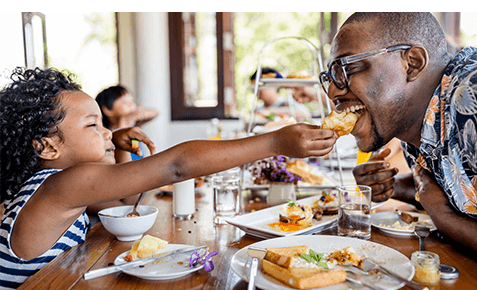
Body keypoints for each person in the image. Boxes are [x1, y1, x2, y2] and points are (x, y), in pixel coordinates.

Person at [0, 68, 335, 288]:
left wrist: (117, 145)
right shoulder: (65, 185)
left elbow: (126, 204)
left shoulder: (59, 186)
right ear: (46, 145)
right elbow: (176, 166)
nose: (106, 132)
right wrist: (275, 142)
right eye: (93, 125)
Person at [322, 12, 477, 266]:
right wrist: (401, 187)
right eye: (329, 77)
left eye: (347, 67)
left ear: (412, 63)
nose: (332, 90)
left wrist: (443, 218)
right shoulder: (417, 124)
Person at [96, 85, 159, 161]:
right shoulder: (107, 135)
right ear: (107, 110)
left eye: (132, 101)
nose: (131, 104)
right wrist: (124, 121)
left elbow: (155, 113)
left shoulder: (133, 124)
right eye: (125, 102)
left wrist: (136, 115)